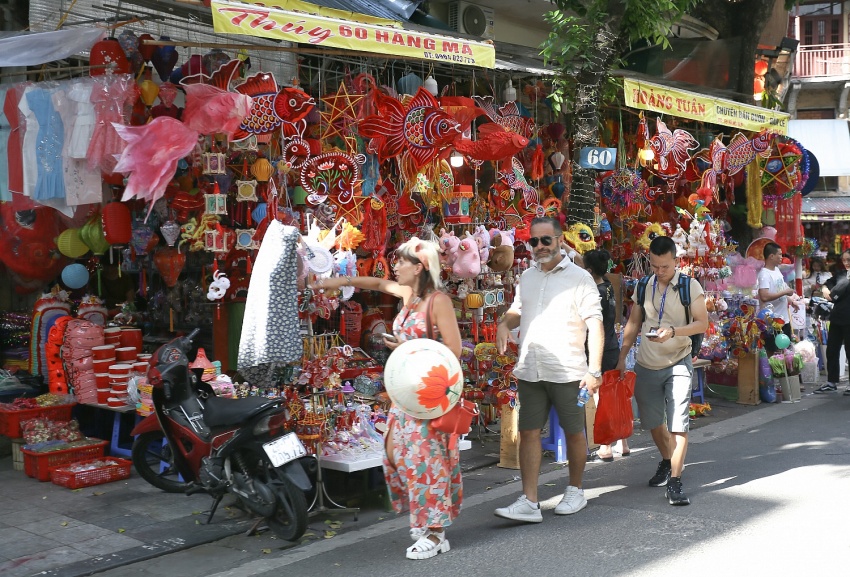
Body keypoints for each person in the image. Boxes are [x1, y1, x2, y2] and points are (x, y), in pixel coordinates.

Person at [311, 237, 462, 560]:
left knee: (426, 460)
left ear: (419, 267)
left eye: (402, 261)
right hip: (405, 393)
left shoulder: (438, 302)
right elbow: (378, 283)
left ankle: (435, 532)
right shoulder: (408, 296)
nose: (395, 266)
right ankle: (426, 520)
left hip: (429, 394)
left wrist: (409, 349)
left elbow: (455, 349)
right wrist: (339, 281)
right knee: (396, 455)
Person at [494, 216, 604, 523]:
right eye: (534, 241)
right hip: (531, 368)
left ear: (559, 240)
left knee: (574, 432)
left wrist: (594, 370)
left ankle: (576, 489)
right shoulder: (527, 277)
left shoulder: (579, 278)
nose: (539, 246)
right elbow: (518, 309)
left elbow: (595, 324)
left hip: (568, 369)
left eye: (546, 240)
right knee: (528, 432)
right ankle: (529, 500)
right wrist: (504, 323)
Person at [616, 236, 708, 506]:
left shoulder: (689, 286)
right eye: (654, 266)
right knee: (653, 422)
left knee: (678, 421)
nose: (659, 271)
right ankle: (667, 461)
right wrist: (623, 356)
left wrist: (674, 332)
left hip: (679, 360)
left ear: (676, 262)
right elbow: (634, 321)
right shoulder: (644, 285)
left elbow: (702, 323)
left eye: (664, 267)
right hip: (647, 362)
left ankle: (676, 481)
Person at [583, 249, 629, 461]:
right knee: (615, 394)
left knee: (602, 397)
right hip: (612, 346)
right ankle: (623, 442)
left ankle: (606, 446)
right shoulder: (608, 285)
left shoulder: (595, 293)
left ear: (589, 270)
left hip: (599, 349)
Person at [816, 249, 850, 395]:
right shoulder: (841, 274)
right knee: (832, 349)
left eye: (849, 260)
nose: (846, 263)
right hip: (837, 316)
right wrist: (824, 289)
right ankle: (831, 381)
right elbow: (827, 284)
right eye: (844, 260)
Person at [758, 242, 800, 354]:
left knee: (785, 351)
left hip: (784, 319)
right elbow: (764, 296)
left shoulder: (776, 270)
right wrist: (785, 292)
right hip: (773, 322)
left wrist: (790, 300)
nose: (782, 257)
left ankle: (783, 371)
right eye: (780, 254)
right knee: (774, 353)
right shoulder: (764, 275)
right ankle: (775, 372)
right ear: (771, 256)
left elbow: (779, 288)